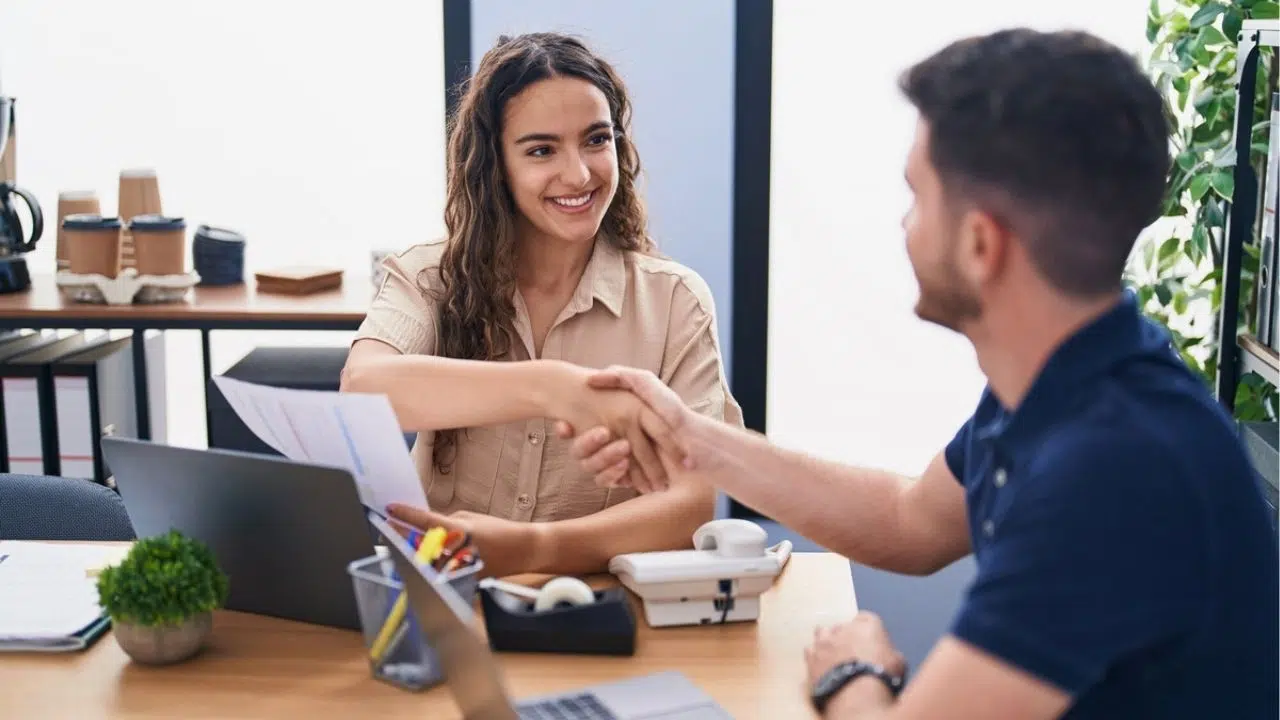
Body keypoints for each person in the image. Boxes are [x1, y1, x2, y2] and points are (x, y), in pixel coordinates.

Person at [558, 28, 1280, 719]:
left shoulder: (1113, 471)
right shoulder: (1075, 386)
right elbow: (908, 521)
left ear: (978, 243)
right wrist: (694, 440)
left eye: (917, 196)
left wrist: (853, 670)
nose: (904, 225)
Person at [341, 32, 743, 578]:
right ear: (495, 166)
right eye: (540, 150)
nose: (578, 174)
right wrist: (557, 388)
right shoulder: (428, 276)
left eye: (596, 140)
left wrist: (537, 547)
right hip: (446, 589)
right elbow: (362, 389)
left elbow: (690, 503)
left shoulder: (674, 301)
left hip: (594, 603)